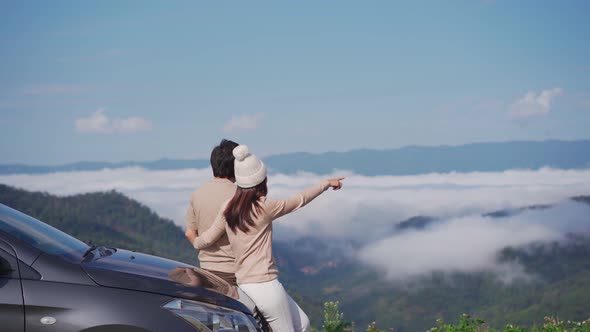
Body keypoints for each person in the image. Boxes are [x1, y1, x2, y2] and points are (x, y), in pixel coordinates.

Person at [187, 145, 344, 332]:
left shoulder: (227, 208)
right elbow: (299, 200)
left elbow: (208, 238)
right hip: (265, 285)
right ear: (262, 180)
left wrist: (196, 242)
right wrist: (326, 183)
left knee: (303, 323)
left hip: (244, 284)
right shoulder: (264, 207)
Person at [184, 139, 239, 285]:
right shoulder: (242, 196)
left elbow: (189, 233)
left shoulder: (197, 193)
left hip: (206, 272)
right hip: (236, 274)